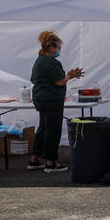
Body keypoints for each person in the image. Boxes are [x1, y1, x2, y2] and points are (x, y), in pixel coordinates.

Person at [28, 30, 83, 173]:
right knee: (52, 130)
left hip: (41, 99)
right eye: (58, 47)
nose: (59, 50)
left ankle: (34, 159)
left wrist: (69, 76)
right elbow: (59, 81)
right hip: (51, 100)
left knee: (43, 128)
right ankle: (50, 162)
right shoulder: (51, 62)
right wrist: (70, 75)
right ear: (51, 47)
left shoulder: (39, 60)